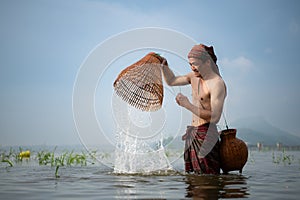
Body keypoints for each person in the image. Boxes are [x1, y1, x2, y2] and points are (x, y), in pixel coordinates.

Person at [161, 44, 227, 174]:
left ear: (207, 62)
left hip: (206, 135)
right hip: (193, 134)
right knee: (193, 181)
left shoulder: (217, 84)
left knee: (207, 180)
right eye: (190, 64)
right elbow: (172, 80)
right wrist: (164, 66)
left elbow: (215, 117)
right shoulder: (193, 77)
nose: (192, 68)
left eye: (195, 64)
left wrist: (187, 105)